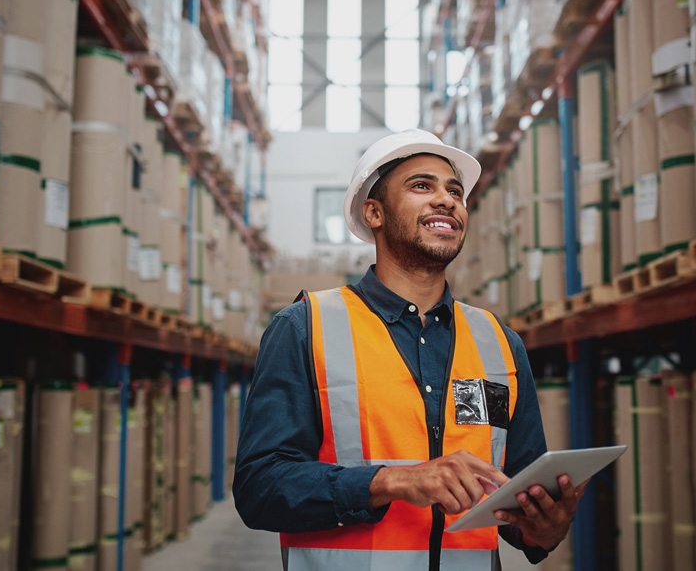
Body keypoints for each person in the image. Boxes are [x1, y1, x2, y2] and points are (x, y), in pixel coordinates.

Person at [234, 129, 586, 570]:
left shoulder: (499, 342)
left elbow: (518, 500)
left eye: (455, 191)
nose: (447, 199)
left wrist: (543, 529)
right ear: (375, 213)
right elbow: (259, 488)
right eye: (423, 185)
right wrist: (391, 482)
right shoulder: (306, 328)